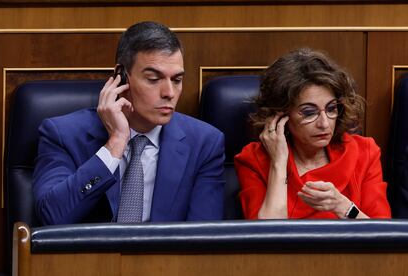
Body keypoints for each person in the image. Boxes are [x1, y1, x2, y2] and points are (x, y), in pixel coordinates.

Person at [33, 21, 225, 225]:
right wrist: (115, 143)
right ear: (121, 76)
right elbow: (51, 216)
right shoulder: (63, 134)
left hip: (166, 257)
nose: (169, 93)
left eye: (177, 80)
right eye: (153, 79)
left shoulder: (205, 143)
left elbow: (203, 237)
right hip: (89, 256)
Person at [234, 48, 391, 219]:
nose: (324, 123)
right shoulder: (254, 160)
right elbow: (265, 239)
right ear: (281, 114)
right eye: (309, 112)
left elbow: (382, 237)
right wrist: (278, 165)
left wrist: (343, 207)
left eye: (331, 109)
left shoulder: (365, 152)